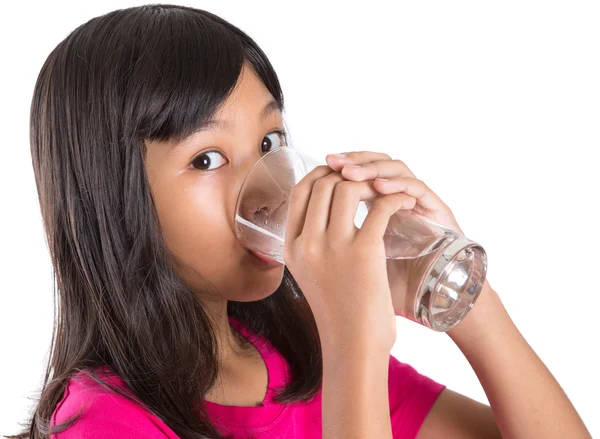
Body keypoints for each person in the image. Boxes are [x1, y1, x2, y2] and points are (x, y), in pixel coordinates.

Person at [7, 4, 591, 439]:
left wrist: (463, 294)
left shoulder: (297, 354)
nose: (266, 189)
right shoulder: (103, 421)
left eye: (269, 141)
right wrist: (354, 344)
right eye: (207, 159)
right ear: (115, 202)